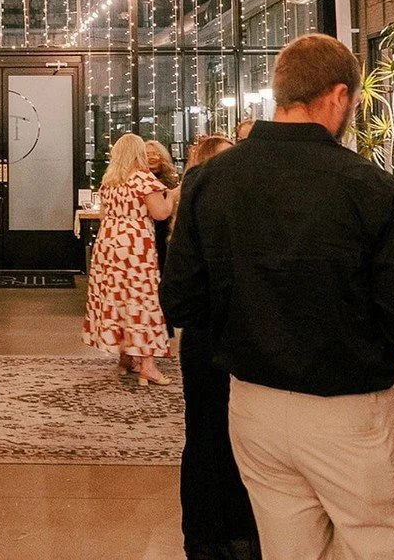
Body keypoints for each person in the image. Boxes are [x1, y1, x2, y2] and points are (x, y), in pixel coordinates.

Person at [165, 33, 394, 560]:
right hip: (348, 413)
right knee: (393, 547)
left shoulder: (210, 180)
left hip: (251, 407)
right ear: (338, 96)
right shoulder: (369, 186)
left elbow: (179, 302)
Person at [160, 134, 258, 560]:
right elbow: (177, 297)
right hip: (219, 336)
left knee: (211, 435)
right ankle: (221, 536)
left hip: (207, 336)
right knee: (213, 435)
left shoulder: (194, 206)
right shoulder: (230, 208)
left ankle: (211, 537)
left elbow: (177, 296)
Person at [82, 133, 174, 386]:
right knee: (143, 301)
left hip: (109, 243)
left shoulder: (109, 181)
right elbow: (160, 213)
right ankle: (148, 366)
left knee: (117, 299)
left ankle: (126, 358)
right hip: (135, 246)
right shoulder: (143, 180)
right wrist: (171, 195)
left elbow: (103, 214)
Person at [145, 140, 180, 271]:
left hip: (167, 226)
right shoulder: (141, 179)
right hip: (149, 225)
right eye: (147, 154)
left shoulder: (171, 178)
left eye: (155, 154)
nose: (152, 157)